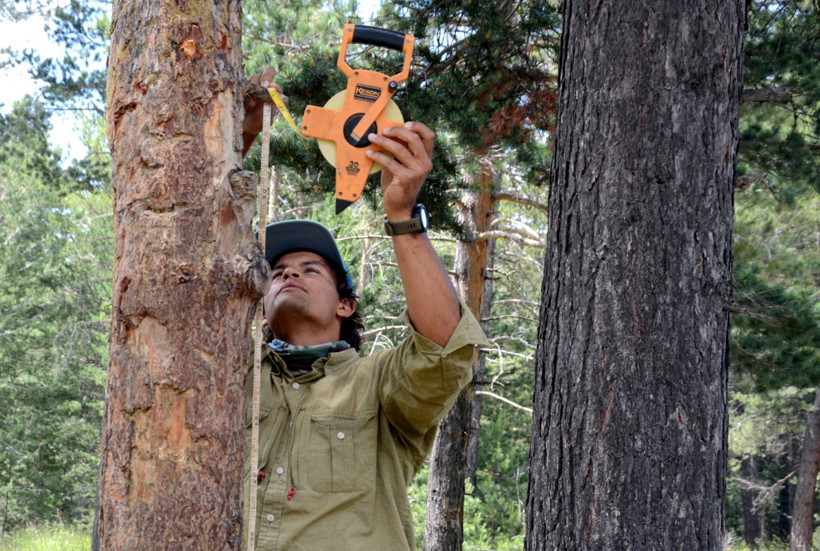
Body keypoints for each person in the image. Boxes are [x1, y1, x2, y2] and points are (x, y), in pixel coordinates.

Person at [241, 67, 488, 550]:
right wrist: (242, 135)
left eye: (310, 269)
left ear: (346, 305)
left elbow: (444, 347)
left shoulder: (378, 385)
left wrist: (401, 213)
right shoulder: (235, 378)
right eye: (277, 272)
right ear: (262, 312)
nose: (288, 274)